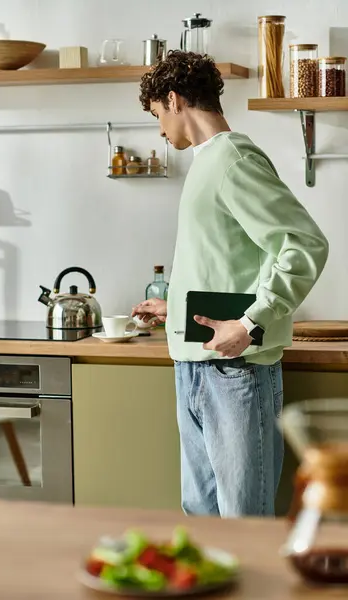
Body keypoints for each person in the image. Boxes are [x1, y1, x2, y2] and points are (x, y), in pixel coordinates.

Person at [132, 51, 329, 518]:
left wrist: (249, 323)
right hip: (196, 365)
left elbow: (303, 246)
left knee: (242, 519)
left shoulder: (233, 159)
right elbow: (226, 257)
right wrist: (173, 304)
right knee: (201, 517)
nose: (160, 129)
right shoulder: (207, 163)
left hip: (234, 370)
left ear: (175, 100)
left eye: (159, 114)